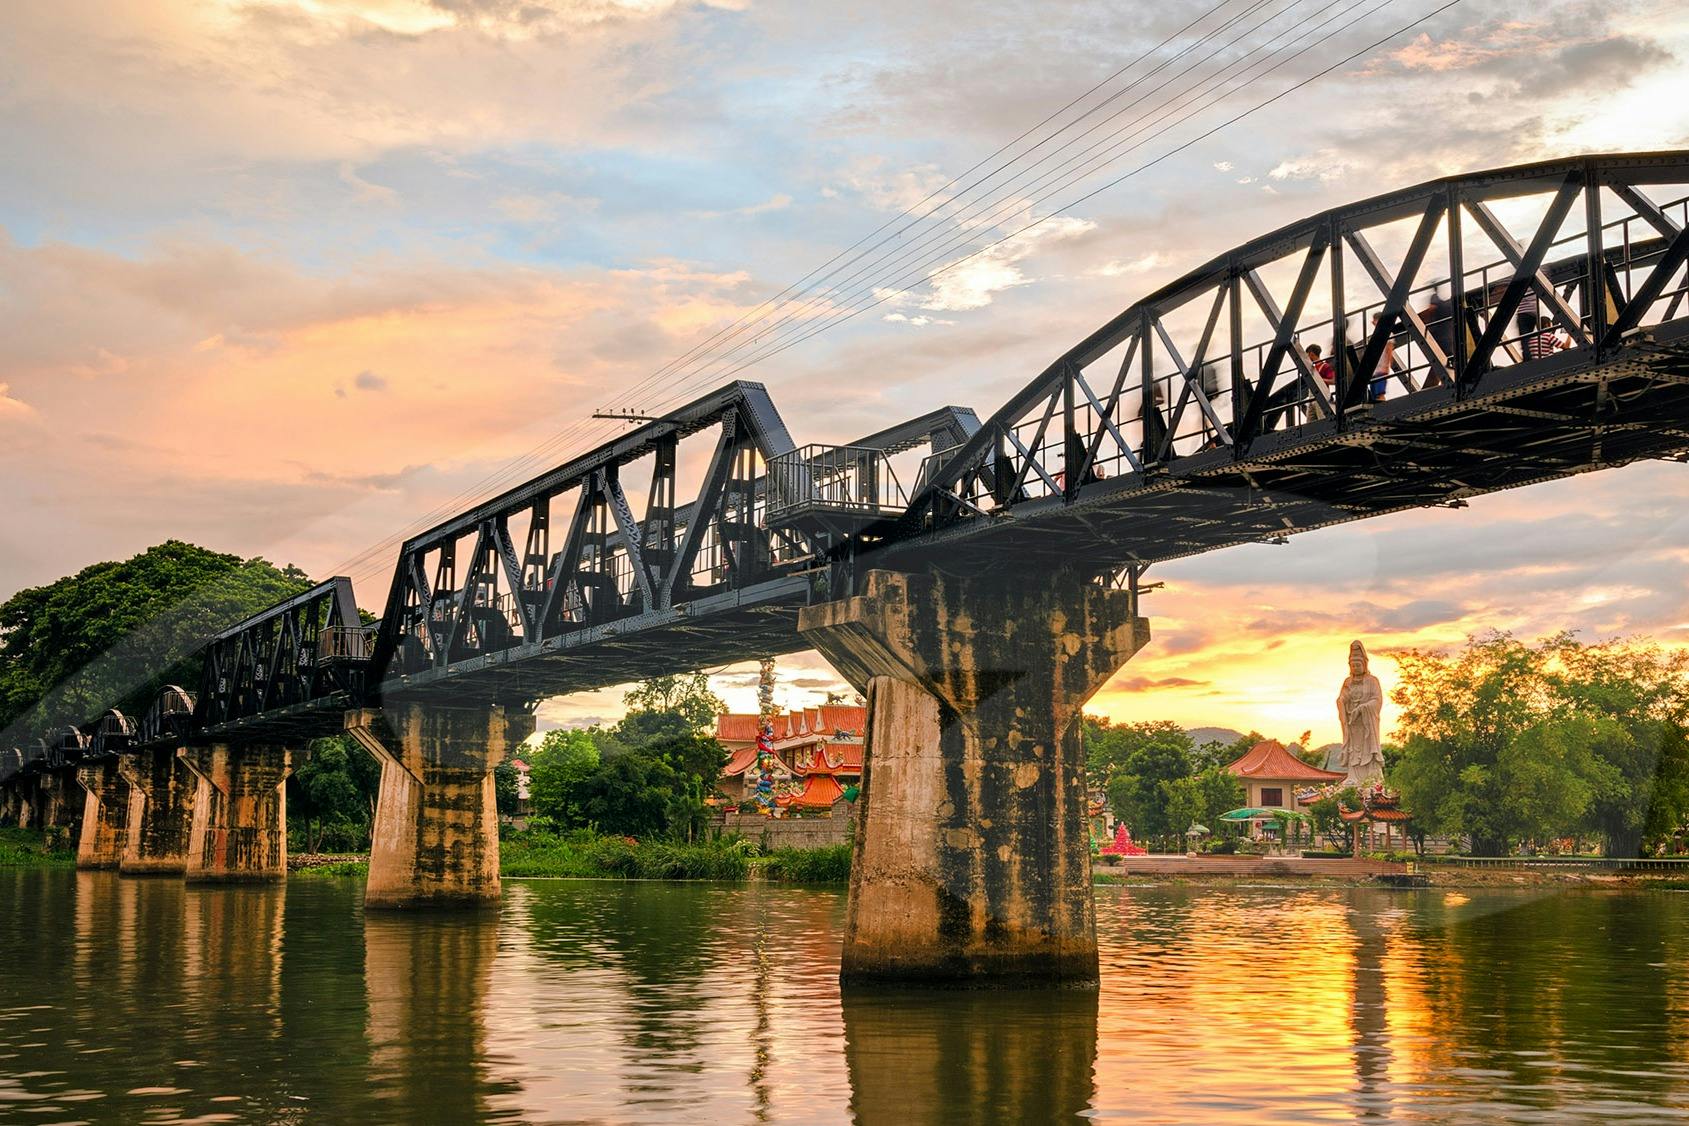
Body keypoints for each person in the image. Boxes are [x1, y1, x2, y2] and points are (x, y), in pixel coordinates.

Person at [1370, 312, 1394, 401]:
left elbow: (1389, 351)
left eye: (1375, 320)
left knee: (1379, 393)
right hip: (1375, 369)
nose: (1373, 322)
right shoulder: (1377, 334)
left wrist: (1387, 366)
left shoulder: (1387, 333)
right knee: (1375, 394)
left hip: (1381, 368)